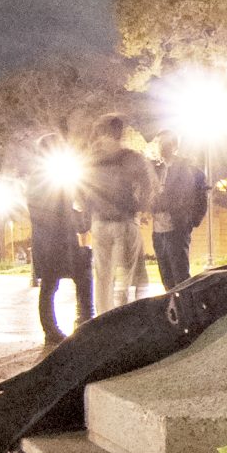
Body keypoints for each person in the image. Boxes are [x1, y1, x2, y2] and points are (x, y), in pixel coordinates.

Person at [82, 116, 154, 316]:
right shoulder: (131, 157)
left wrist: (87, 213)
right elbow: (148, 185)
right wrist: (140, 206)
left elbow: (81, 190)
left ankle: (102, 315)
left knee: (102, 275)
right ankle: (123, 315)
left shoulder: (91, 158)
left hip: (99, 221)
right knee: (126, 275)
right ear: (120, 132)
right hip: (124, 220)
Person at [27, 136, 93, 350]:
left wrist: (82, 213)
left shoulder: (57, 179)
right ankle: (52, 329)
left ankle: (83, 320)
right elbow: (46, 212)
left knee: (80, 278)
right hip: (50, 243)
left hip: (65, 241)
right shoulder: (40, 180)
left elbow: (68, 210)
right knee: (50, 285)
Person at [150, 132, 209, 292]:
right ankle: (172, 309)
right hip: (158, 230)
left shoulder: (184, 169)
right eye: (159, 143)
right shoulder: (156, 169)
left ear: (174, 146)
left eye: (166, 143)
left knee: (180, 276)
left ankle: (186, 310)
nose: (162, 147)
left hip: (176, 227)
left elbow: (191, 194)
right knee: (166, 277)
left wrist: (190, 220)